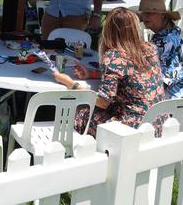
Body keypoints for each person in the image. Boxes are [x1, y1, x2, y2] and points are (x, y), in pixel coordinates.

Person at [52, 7, 164, 136]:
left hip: (132, 130)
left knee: (81, 112)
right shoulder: (150, 48)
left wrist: (71, 84)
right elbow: (131, 73)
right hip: (157, 123)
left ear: (109, 29)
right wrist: (92, 73)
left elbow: (103, 102)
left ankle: (77, 150)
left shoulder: (114, 56)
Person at [139, 0, 183, 99]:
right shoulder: (169, 32)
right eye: (143, 13)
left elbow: (164, 80)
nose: (145, 17)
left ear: (163, 16)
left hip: (171, 98)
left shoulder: (167, 41)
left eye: (150, 13)